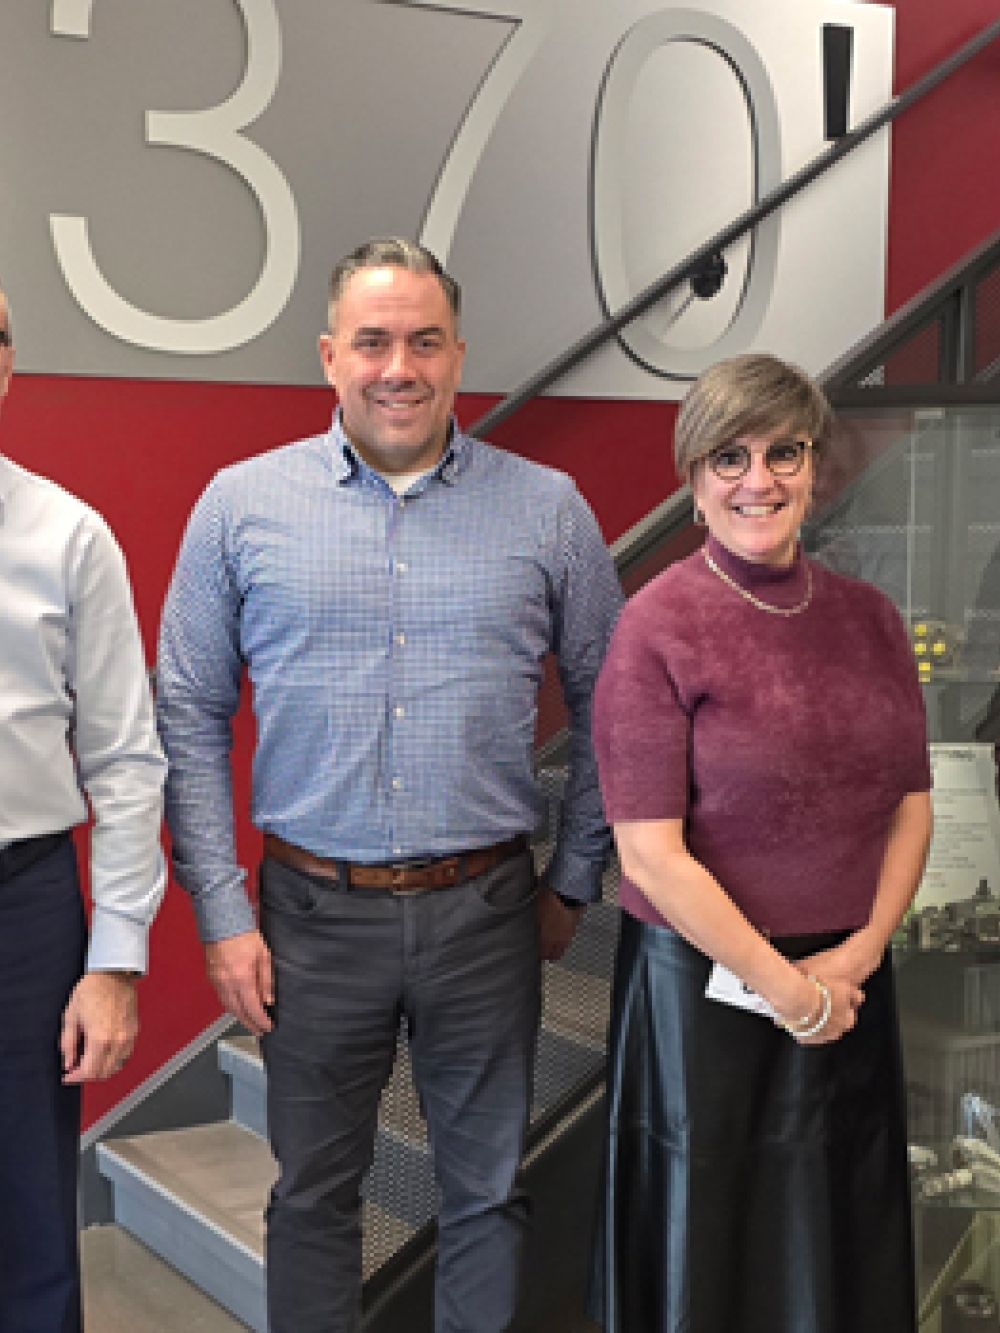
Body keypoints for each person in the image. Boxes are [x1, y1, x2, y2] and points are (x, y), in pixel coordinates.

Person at [156, 237, 623, 1333]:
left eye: (422, 340)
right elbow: (185, 707)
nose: (397, 366)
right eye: (372, 341)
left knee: (484, 1196)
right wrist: (223, 914)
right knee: (313, 1198)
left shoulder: (548, 508)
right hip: (310, 919)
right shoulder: (239, 507)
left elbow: (618, 703)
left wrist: (573, 875)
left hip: (490, 911)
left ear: (459, 354)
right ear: (330, 356)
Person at [589, 353, 932, 1333]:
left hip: (849, 977)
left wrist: (858, 955)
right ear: (694, 480)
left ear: (814, 467)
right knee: (718, 1249)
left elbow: (911, 802)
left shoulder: (869, 618)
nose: (758, 479)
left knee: (844, 1224)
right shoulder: (655, 625)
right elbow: (650, 853)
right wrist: (783, 987)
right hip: (706, 991)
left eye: (783, 452)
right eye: (728, 456)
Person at [0, 283, 167, 1332]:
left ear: (9, 361)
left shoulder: (67, 536)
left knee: (26, 1215)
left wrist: (114, 962)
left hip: (20, 912)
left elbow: (124, 759)